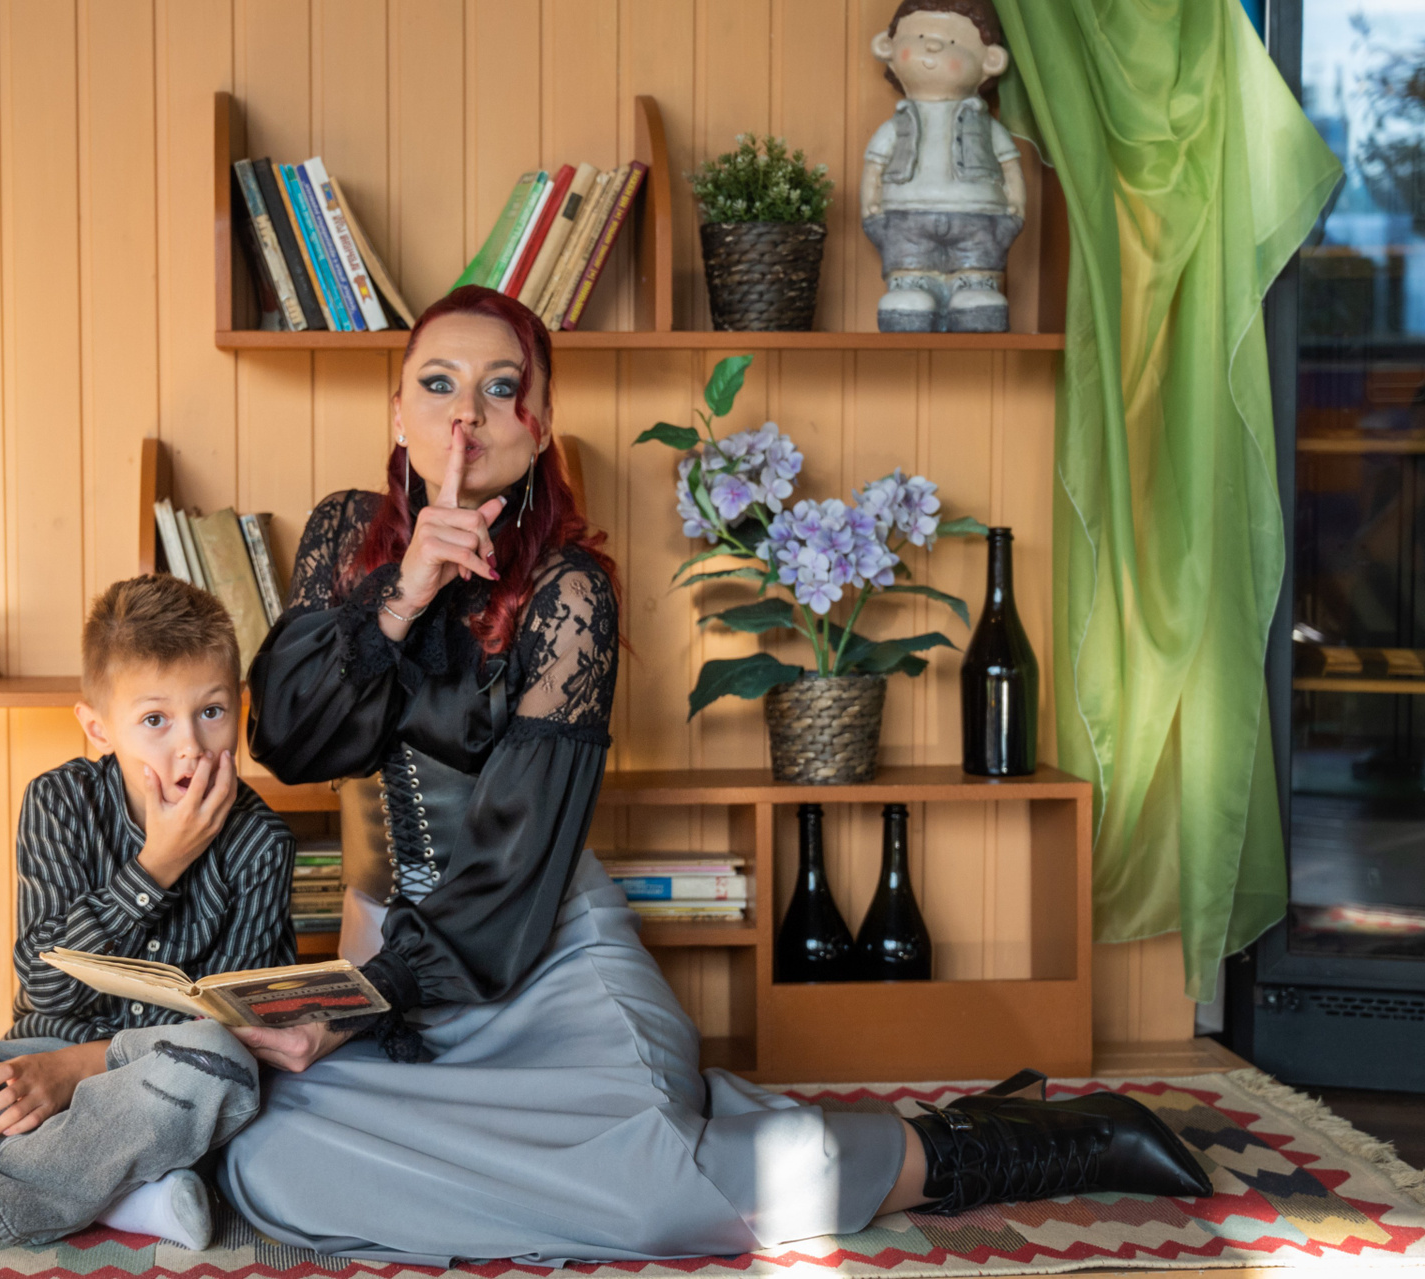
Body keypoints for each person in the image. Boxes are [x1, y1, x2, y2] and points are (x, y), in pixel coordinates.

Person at [217, 284, 1211, 1265]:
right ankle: (639, 1150)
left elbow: (515, 867)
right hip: (390, 970)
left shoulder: (570, 593)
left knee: (659, 1199)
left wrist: (366, 996)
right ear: (398, 412)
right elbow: (288, 744)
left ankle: (989, 1145)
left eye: (501, 387)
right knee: (268, 1159)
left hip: (539, 961)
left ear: (541, 422)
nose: (466, 415)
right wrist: (403, 595)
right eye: (438, 384)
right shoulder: (348, 536)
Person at [0, 575, 295, 1248]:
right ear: (99, 727)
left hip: (158, 1085)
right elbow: (47, 986)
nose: (190, 745)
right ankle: (126, 1193)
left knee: (219, 1063)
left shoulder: (263, 842)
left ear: (239, 707)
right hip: (34, 1065)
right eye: (155, 720)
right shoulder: (59, 802)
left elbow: (231, 1025)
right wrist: (157, 865)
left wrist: (78, 1071)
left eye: (211, 711)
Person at [861, 0, 1026, 333]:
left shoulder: (986, 127)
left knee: (978, 267)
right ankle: (911, 287)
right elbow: (873, 168)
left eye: (952, 41)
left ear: (991, 61)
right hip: (906, 216)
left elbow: (1010, 166)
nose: (933, 46)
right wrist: (870, 209)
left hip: (978, 215)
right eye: (920, 36)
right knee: (909, 267)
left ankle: (974, 287)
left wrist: (1017, 208)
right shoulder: (896, 125)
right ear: (887, 48)